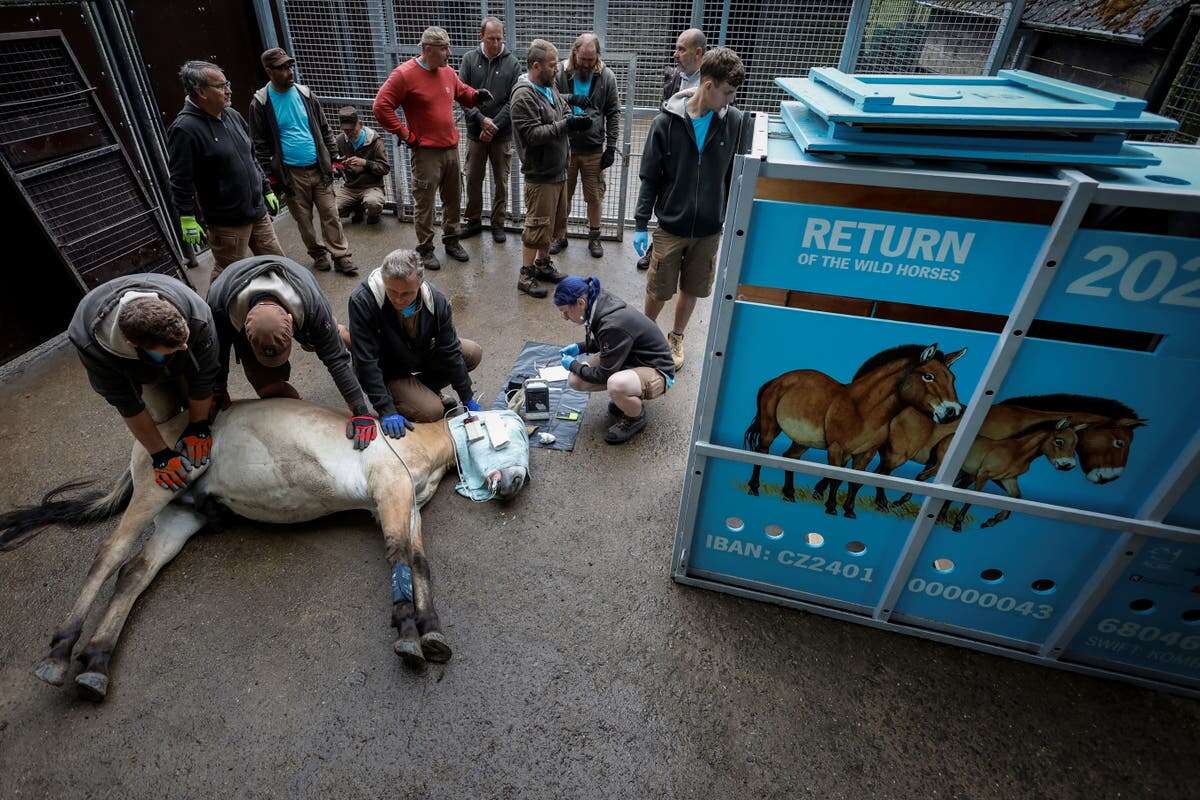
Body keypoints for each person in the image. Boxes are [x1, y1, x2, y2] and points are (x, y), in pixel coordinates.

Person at [634, 47, 750, 372]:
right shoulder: (665, 122)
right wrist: (642, 222)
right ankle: (644, 334)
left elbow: (736, 176)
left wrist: (729, 214)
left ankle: (676, 336)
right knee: (660, 287)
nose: (730, 100)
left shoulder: (736, 123)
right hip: (671, 225)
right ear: (708, 84)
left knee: (693, 286)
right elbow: (649, 176)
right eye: (726, 92)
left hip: (709, 228)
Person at [207, 255, 378, 450]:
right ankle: (303, 419)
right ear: (245, 328)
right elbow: (216, 354)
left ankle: (350, 341)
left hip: (298, 290)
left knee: (329, 337)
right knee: (268, 388)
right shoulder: (219, 307)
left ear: (290, 320)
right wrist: (218, 388)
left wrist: (361, 410)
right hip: (235, 297)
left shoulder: (312, 305)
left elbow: (336, 360)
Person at [67, 274, 219, 492]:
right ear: (133, 344)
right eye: (175, 347)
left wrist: (198, 426)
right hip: (136, 369)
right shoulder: (91, 346)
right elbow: (127, 402)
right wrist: (160, 454)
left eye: (183, 341)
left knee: (204, 410)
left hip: (181, 359)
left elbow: (204, 374)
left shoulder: (195, 314)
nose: (184, 347)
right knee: (164, 417)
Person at [372, 27, 493, 272]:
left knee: (453, 198)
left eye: (448, 47)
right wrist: (405, 134)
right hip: (425, 151)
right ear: (427, 49)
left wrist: (476, 95)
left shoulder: (447, 72)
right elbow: (381, 106)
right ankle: (425, 248)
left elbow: (461, 92)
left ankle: (451, 240)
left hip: (450, 148)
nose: (448, 53)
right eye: (443, 49)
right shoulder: (404, 75)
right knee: (424, 202)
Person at [167, 60, 284, 280]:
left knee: (278, 264)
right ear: (201, 91)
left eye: (227, 83)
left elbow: (250, 157)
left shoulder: (232, 115)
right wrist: (186, 217)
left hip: (257, 212)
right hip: (227, 223)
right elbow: (180, 180)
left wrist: (266, 188)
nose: (229, 90)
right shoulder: (184, 129)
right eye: (221, 86)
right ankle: (214, 312)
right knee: (228, 275)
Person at [348, 248, 484, 432]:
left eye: (406, 294)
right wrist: (385, 409)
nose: (398, 299)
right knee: (433, 411)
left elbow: (450, 350)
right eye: (392, 291)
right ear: (384, 279)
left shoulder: (435, 301)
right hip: (386, 370)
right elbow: (365, 361)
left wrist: (467, 398)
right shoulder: (363, 300)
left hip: (415, 354)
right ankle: (401, 397)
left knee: (472, 352)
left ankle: (418, 391)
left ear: (420, 284)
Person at [249, 48, 356, 276]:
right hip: (291, 174)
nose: (289, 71)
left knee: (330, 213)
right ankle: (318, 254)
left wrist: (333, 158)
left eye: (290, 66)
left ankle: (341, 255)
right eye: (282, 68)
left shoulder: (306, 94)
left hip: (319, 168)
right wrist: (270, 175)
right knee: (304, 220)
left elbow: (325, 129)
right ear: (269, 71)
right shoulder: (261, 103)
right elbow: (259, 145)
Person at [510, 39, 591, 298]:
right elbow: (532, 134)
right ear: (536, 66)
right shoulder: (523, 95)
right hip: (540, 174)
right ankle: (525, 274)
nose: (557, 69)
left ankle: (542, 265)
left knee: (553, 223)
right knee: (536, 225)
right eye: (552, 65)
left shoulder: (549, 85)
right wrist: (566, 126)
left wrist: (572, 118)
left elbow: (563, 108)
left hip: (557, 170)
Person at [555, 276, 674, 445]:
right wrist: (580, 347)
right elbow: (611, 340)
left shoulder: (611, 322)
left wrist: (574, 365)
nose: (564, 317)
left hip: (657, 370)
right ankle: (626, 398)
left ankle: (635, 417)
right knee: (576, 380)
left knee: (615, 384)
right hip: (630, 356)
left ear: (581, 302)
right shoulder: (596, 300)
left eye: (566, 311)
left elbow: (604, 374)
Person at [638, 28, 707, 271]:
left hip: (697, 153)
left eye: (681, 49)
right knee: (663, 196)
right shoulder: (674, 77)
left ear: (698, 53)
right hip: (671, 152)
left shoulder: (712, 81)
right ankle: (655, 248)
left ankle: (686, 249)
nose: (675, 54)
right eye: (676, 48)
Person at [550, 33, 620, 259]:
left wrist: (611, 146)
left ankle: (595, 237)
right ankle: (560, 236)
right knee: (563, 197)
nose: (587, 64)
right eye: (583, 59)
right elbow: (549, 97)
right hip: (566, 146)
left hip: (593, 149)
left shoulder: (606, 76)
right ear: (575, 53)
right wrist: (571, 98)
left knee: (594, 196)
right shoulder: (561, 72)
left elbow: (613, 112)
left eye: (592, 59)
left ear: (598, 55)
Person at [458, 16, 521, 243]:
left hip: (501, 135)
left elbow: (513, 100)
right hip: (476, 133)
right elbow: (462, 95)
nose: (495, 43)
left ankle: (498, 223)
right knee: (473, 178)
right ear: (481, 36)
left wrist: (492, 126)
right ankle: (473, 220)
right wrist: (481, 120)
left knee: (501, 181)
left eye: (499, 38)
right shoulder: (469, 60)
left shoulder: (512, 63)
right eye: (491, 38)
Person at [334, 106, 389, 225]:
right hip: (350, 187)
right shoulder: (340, 141)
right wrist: (339, 166)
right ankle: (355, 207)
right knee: (331, 211)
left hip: (372, 186)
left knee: (373, 203)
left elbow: (385, 168)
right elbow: (335, 166)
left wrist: (365, 163)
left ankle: (373, 215)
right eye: (345, 130)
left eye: (352, 129)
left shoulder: (374, 141)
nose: (348, 133)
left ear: (360, 124)